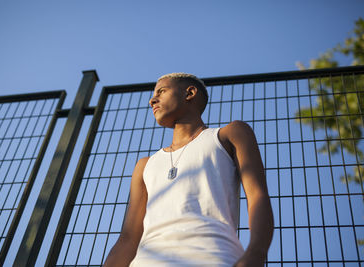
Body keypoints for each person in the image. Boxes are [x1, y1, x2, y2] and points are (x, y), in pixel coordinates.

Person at [103, 73, 274, 267]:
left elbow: (257, 196)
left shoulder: (229, 135)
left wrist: (255, 255)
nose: (152, 100)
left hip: (214, 258)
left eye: (162, 91)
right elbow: (128, 238)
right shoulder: (144, 165)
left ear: (189, 93)